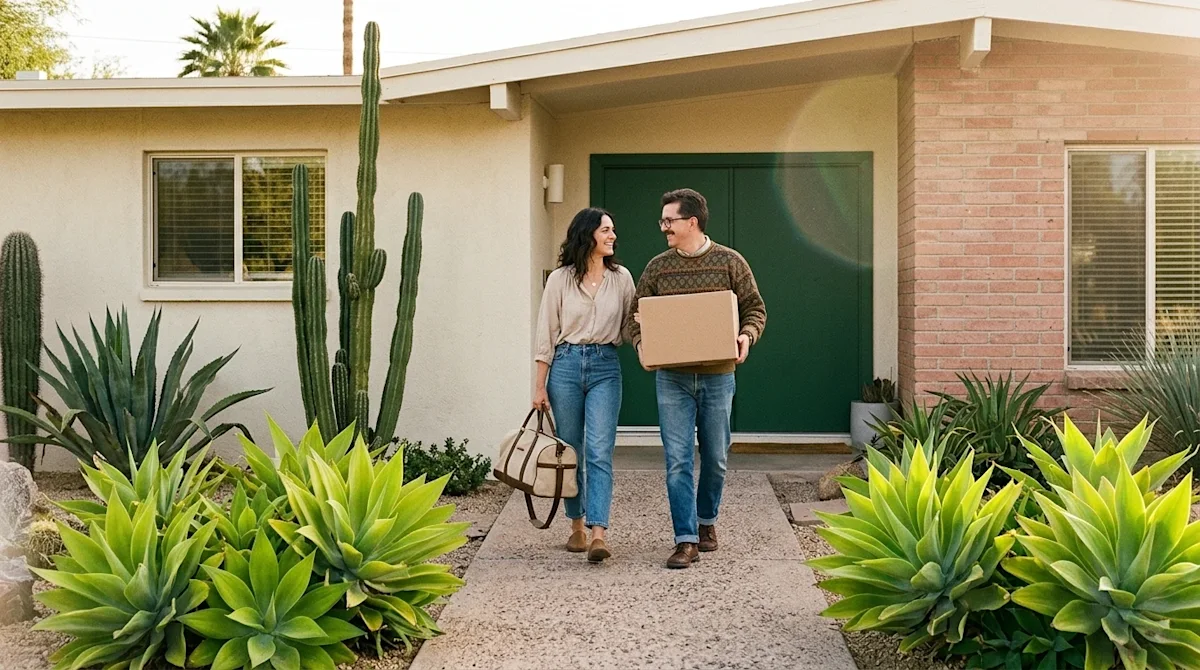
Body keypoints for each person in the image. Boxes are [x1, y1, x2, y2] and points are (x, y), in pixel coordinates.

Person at [626, 188, 767, 569]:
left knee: (717, 457)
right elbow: (633, 316)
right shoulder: (657, 268)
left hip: (718, 377)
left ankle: (707, 522)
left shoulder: (730, 262)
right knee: (677, 460)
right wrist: (641, 345)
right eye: (663, 221)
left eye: (669, 221)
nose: (664, 228)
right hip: (671, 379)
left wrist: (746, 336)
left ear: (692, 222)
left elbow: (755, 309)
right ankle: (685, 539)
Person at [534, 207, 636, 563]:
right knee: (571, 449)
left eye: (612, 230)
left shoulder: (622, 278)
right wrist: (539, 387)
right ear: (588, 234)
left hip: (606, 365)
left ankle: (598, 533)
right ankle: (575, 525)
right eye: (606, 230)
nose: (612, 236)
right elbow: (545, 334)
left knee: (599, 449)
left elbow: (629, 329)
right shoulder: (560, 279)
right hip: (564, 365)